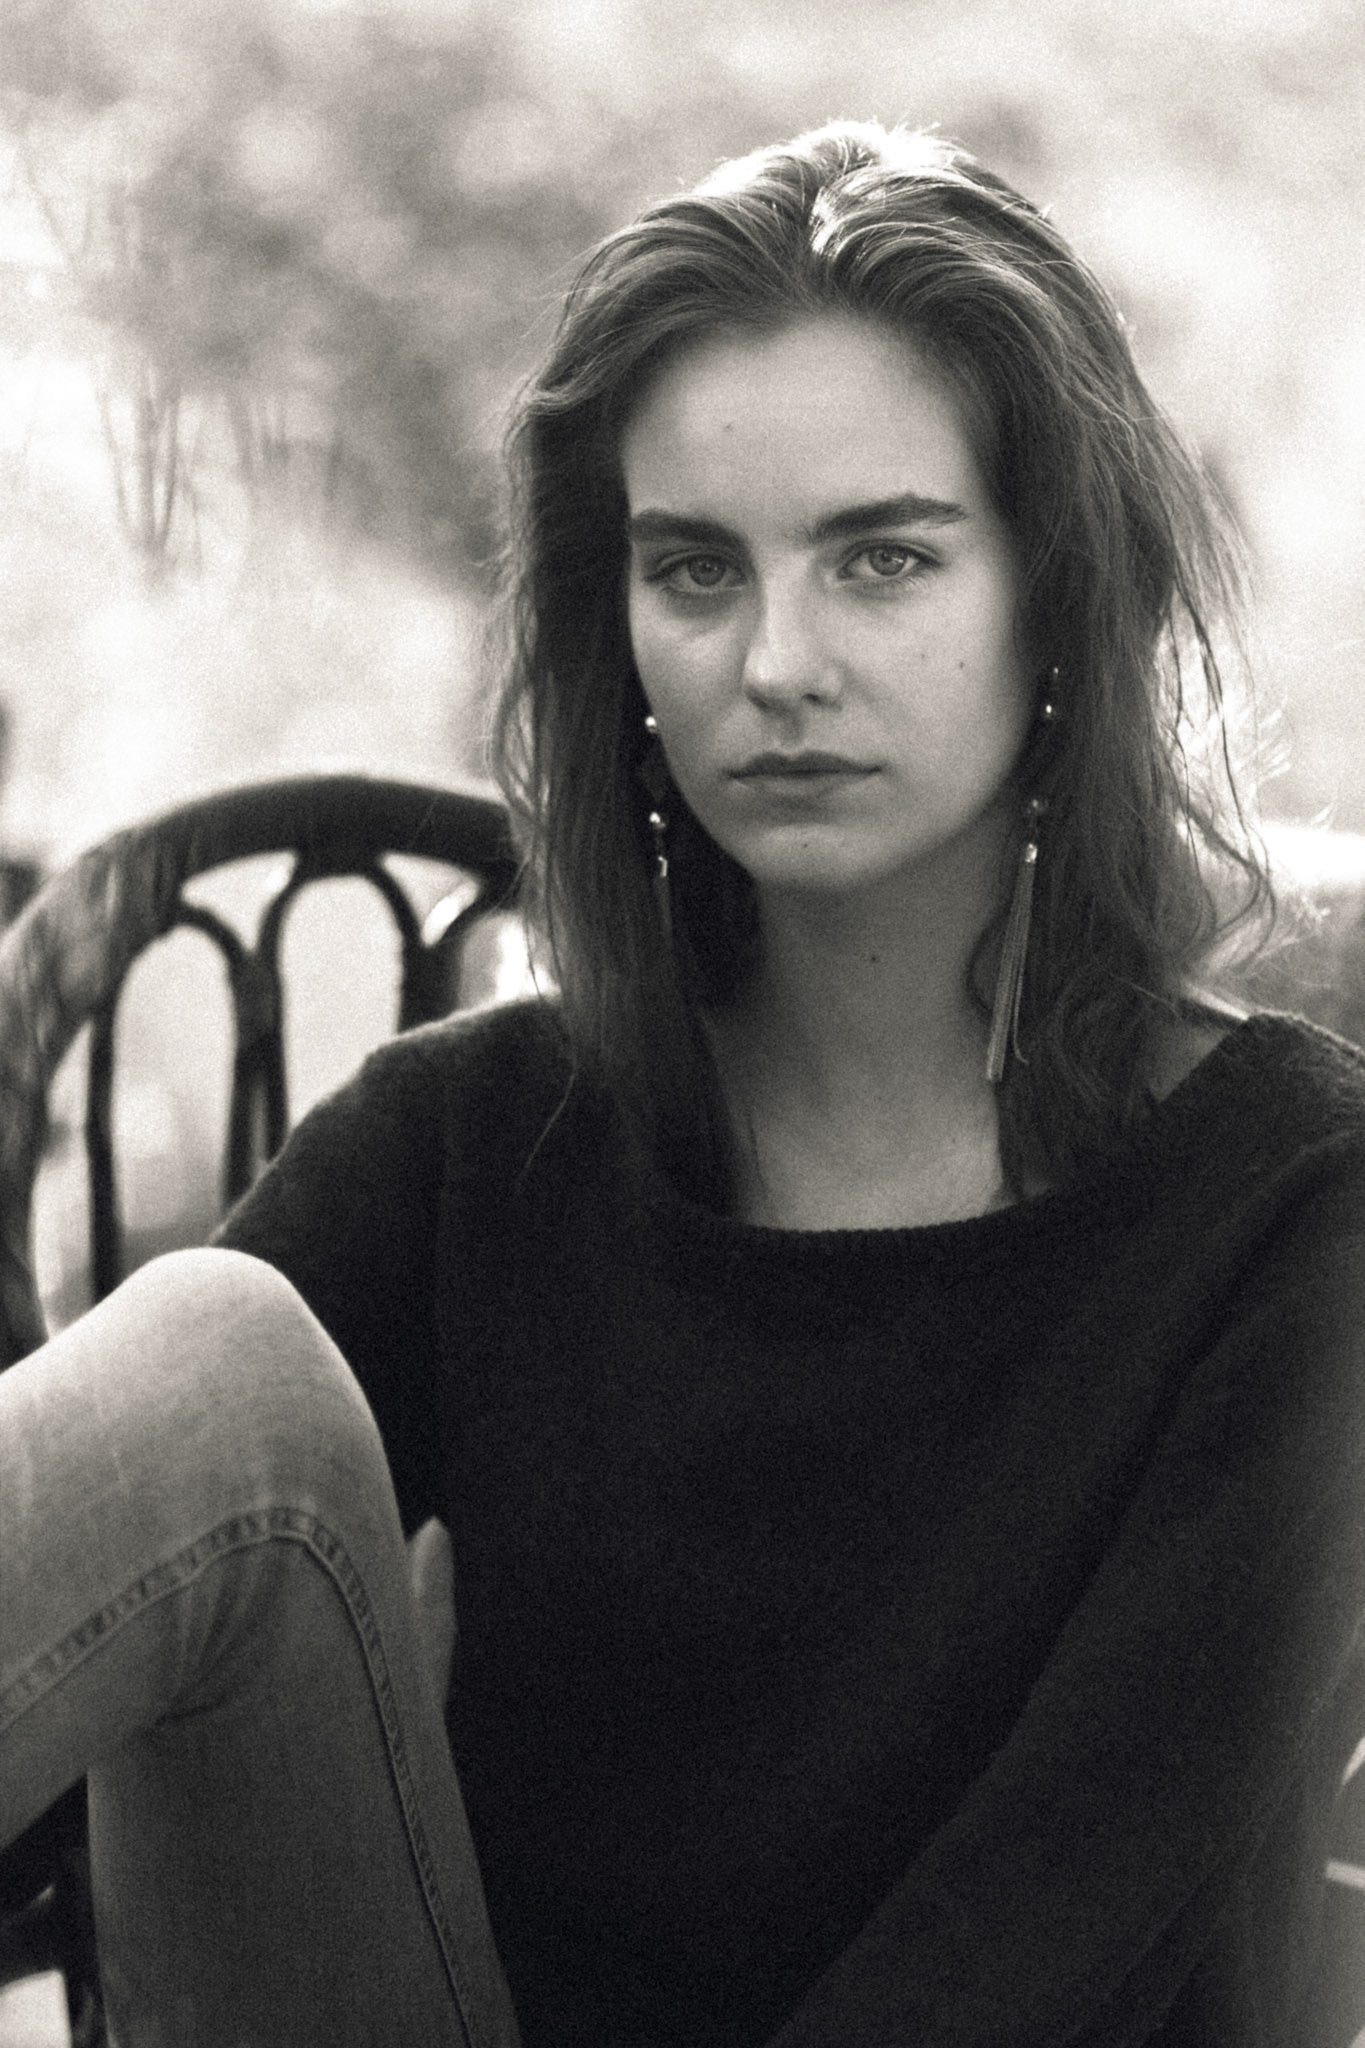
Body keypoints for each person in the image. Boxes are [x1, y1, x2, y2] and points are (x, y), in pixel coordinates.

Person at [3, 119, 1365, 2048]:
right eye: (695, 570)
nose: (775, 662)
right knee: (216, 1367)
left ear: (1058, 594)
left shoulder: (1296, 1210)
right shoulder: (477, 1137)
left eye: (883, 559)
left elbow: (1043, 1946)